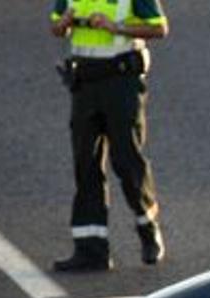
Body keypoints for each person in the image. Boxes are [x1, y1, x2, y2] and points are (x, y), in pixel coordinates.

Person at [50, 0, 169, 272]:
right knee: (86, 162)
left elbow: (159, 28)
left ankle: (148, 228)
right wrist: (64, 23)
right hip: (84, 84)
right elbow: (56, 27)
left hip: (121, 81)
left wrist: (117, 27)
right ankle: (91, 249)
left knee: (126, 159)